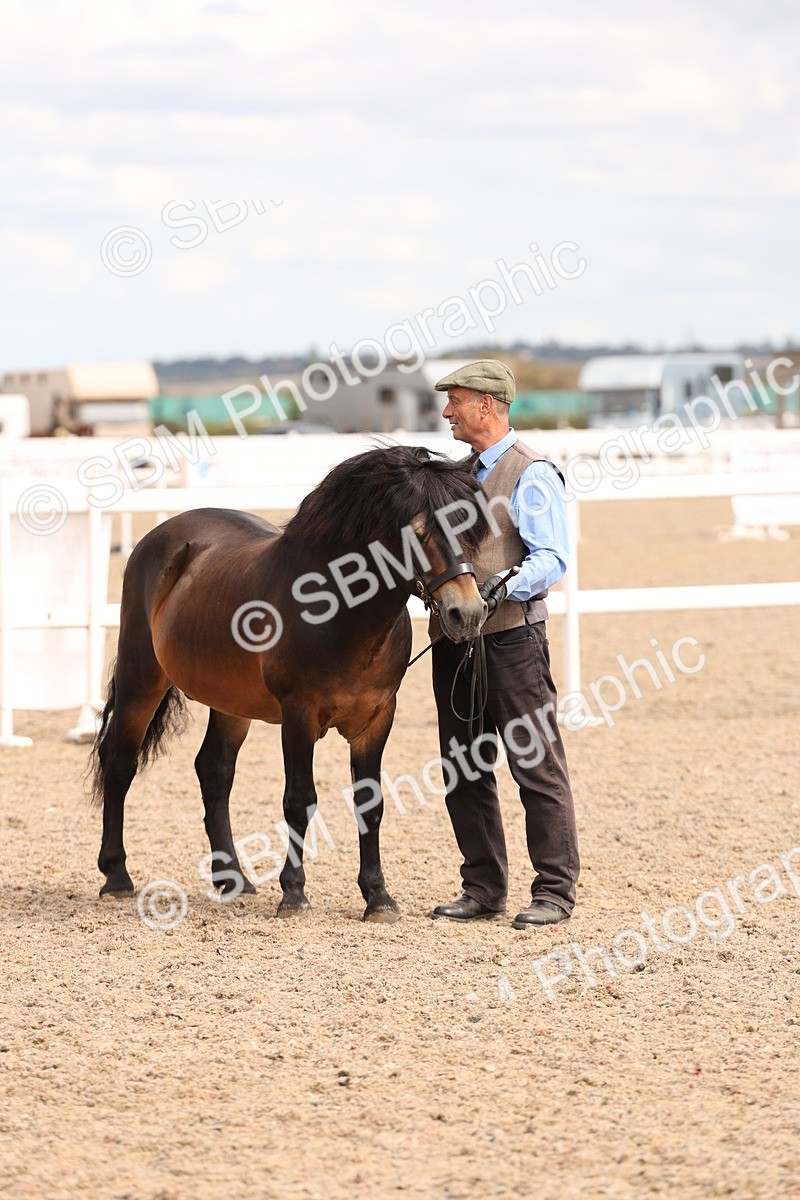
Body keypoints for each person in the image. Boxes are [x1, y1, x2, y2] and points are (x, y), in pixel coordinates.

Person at [429, 360, 580, 928]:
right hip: (454, 644)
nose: (448, 412)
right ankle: (484, 888)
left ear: (487, 406)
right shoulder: (451, 476)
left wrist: (503, 585)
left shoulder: (530, 473)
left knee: (536, 766)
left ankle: (555, 891)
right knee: (463, 768)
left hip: (513, 640)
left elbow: (553, 558)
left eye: (457, 402)